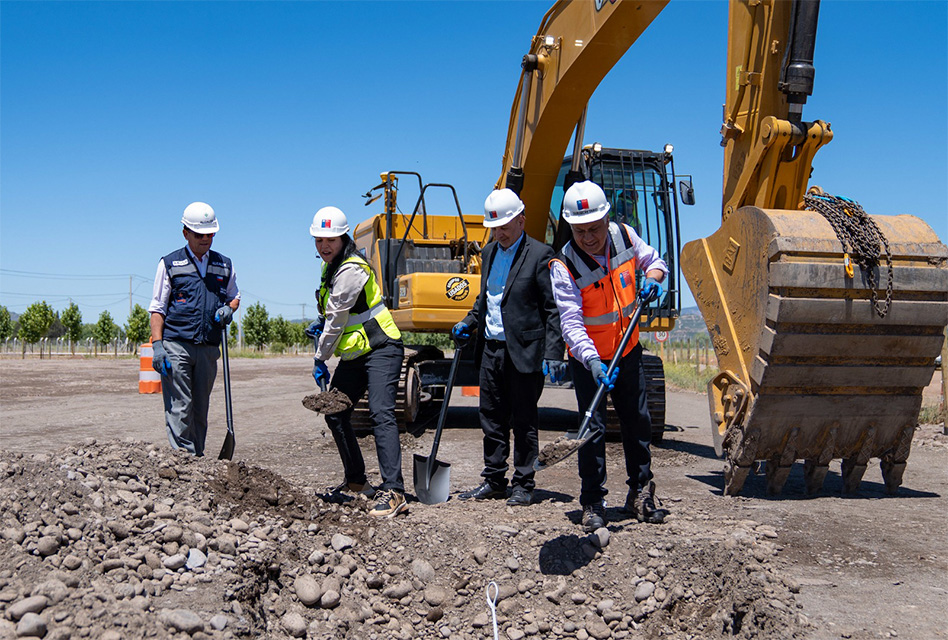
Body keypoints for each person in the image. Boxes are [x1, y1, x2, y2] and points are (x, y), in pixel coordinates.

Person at [548, 181, 668, 532]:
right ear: (571, 227)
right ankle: (593, 503)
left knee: (637, 422)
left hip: (627, 350)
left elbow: (655, 261)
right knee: (592, 430)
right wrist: (592, 361)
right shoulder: (564, 265)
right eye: (580, 231)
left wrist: (655, 279)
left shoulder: (625, 236)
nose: (589, 237)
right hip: (590, 361)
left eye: (594, 228)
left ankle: (641, 493)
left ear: (607, 219)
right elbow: (570, 323)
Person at [453, 188, 565, 507]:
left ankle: (524, 482)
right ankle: (494, 479)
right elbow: (486, 300)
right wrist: (469, 321)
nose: (499, 233)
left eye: (504, 226)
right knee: (491, 416)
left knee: (524, 419)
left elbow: (552, 309)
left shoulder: (541, 255)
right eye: (495, 228)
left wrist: (553, 353)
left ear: (521, 220)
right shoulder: (489, 253)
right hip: (491, 349)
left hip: (524, 351)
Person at [307, 206, 408, 519]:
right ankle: (356, 482)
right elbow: (332, 313)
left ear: (343, 238)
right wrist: (318, 323)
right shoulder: (331, 268)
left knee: (380, 413)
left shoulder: (352, 268)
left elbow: (337, 317)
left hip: (382, 347)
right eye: (319, 239)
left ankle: (394, 492)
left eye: (331, 240)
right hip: (356, 353)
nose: (325, 245)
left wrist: (320, 356)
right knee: (335, 413)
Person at [149, 202, 239, 456]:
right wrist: (158, 346)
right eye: (199, 235)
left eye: (209, 234)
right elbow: (157, 308)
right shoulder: (169, 264)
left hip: (209, 348)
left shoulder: (224, 265)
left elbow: (234, 296)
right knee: (181, 406)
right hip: (176, 344)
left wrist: (229, 309)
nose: (205, 239)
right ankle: (184, 458)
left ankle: (196, 460)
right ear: (185, 233)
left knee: (200, 407)